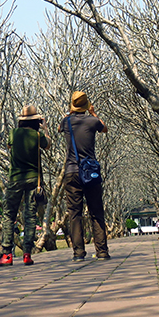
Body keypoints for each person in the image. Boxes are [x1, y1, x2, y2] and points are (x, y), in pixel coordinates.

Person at [0, 104, 51, 266]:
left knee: (9, 215)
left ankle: (7, 254)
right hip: (33, 180)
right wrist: (44, 129)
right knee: (30, 216)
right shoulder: (38, 136)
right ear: (36, 121)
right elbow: (48, 145)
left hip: (15, 179)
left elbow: (10, 146)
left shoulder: (13, 134)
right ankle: (27, 254)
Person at [59, 91, 110, 261]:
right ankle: (102, 251)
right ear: (87, 105)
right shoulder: (92, 120)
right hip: (90, 172)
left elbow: (59, 128)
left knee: (75, 213)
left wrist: (70, 113)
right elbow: (104, 128)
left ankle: (78, 253)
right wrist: (93, 113)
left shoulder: (65, 122)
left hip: (71, 171)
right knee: (96, 211)